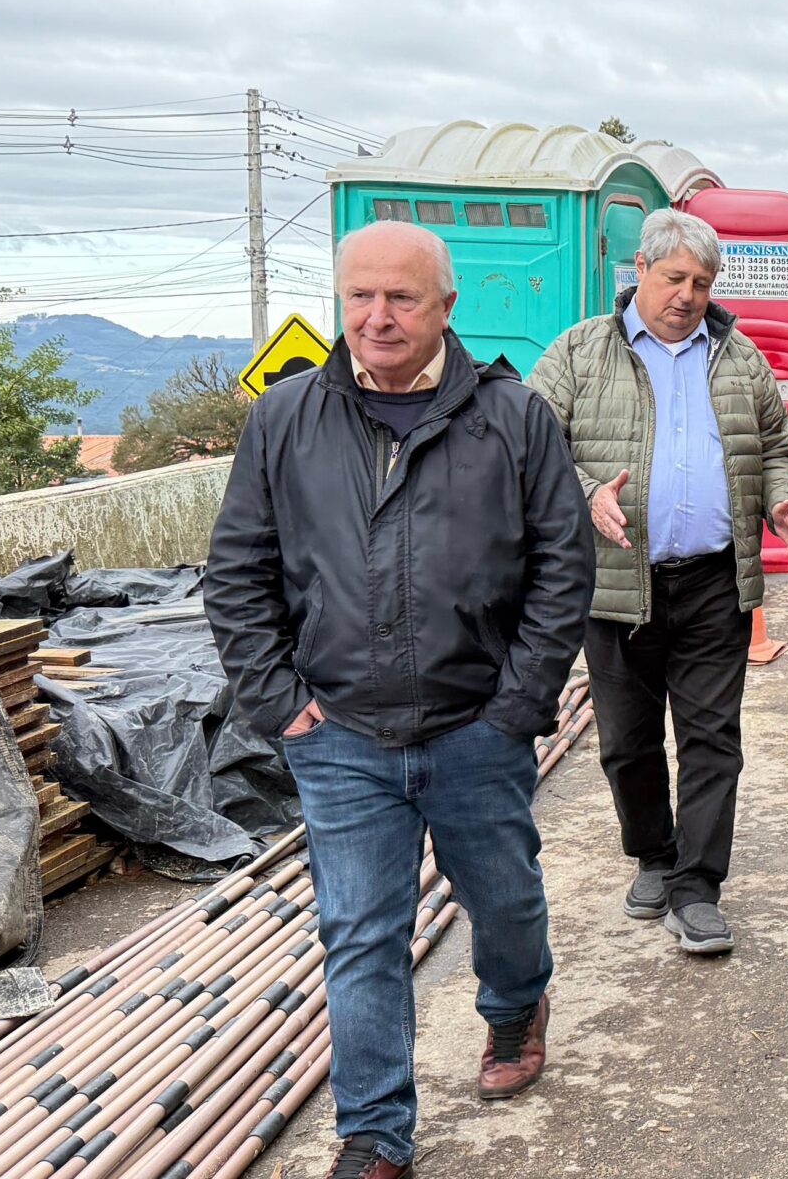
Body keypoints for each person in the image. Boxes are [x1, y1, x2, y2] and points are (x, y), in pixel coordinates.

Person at [203, 221, 592, 1179]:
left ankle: (514, 1009)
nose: (377, 318)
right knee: (360, 931)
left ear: (446, 307)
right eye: (360, 297)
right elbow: (237, 572)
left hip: (476, 729)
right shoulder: (285, 418)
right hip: (339, 733)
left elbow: (562, 570)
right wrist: (278, 700)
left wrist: (518, 704)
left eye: (402, 298)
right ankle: (375, 1135)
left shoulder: (513, 418)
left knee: (502, 901)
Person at [528, 209, 788, 958]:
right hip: (616, 583)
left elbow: (777, 447)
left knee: (712, 738)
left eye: (702, 281)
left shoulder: (738, 355)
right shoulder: (580, 353)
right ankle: (654, 854)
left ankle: (697, 888)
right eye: (674, 278)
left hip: (715, 581)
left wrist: (782, 502)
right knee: (626, 742)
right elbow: (528, 447)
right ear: (640, 273)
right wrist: (588, 489)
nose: (687, 295)